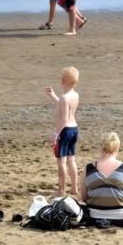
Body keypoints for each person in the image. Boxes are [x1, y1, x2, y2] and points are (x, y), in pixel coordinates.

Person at [44, 66, 80, 196]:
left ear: (63, 81)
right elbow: (65, 107)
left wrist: (55, 134)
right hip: (74, 129)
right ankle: (75, 188)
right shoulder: (75, 95)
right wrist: (54, 96)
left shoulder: (65, 98)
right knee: (71, 160)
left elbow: (64, 119)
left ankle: (61, 190)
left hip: (64, 131)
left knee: (62, 162)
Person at [80, 132, 123, 228]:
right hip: (121, 217)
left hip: (94, 216)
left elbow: (84, 198)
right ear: (117, 148)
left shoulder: (89, 168)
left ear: (101, 147)